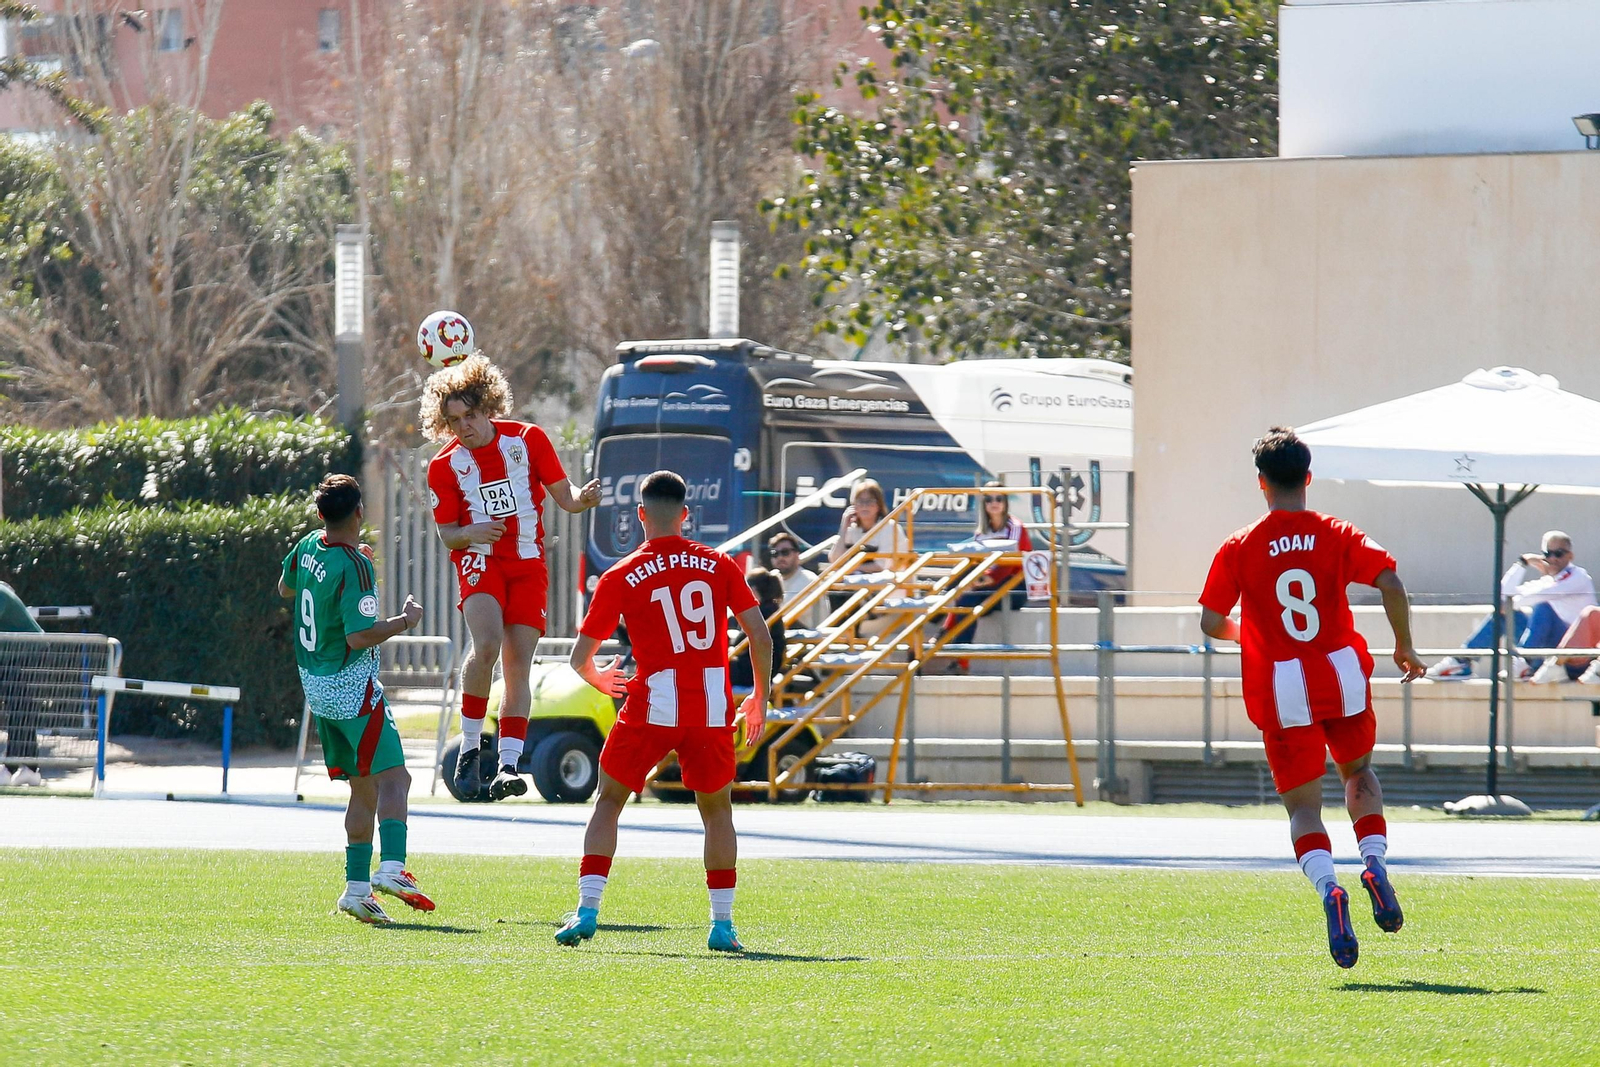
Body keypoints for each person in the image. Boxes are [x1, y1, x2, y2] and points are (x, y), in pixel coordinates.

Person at [1199, 427, 1426, 970]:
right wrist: (1405, 645)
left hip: (1282, 689)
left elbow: (1210, 621)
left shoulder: (1240, 544)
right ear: (1307, 477)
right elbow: (1391, 582)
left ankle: (1331, 890)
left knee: (1304, 808)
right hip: (1341, 677)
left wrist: (1249, 635)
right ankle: (1373, 863)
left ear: (1261, 484)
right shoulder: (1336, 532)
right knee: (1359, 777)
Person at [556, 470, 771, 953]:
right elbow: (758, 634)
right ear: (686, 515)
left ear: (640, 516)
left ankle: (588, 911)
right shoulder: (719, 564)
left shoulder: (620, 573)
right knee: (717, 812)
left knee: (608, 801)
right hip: (712, 704)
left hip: (653, 702)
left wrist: (597, 678)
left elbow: (579, 656)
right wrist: (760, 695)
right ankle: (722, 925)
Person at [423, 355, 602, 801]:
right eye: (454, 421)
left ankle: (506, 766)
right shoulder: (444, 467)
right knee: (485, 646)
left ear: (488, 406)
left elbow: (567, 498)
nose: (464, 427)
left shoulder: (528, 440)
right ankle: (468, 746)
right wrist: (471, 532)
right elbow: (448, 537)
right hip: (480, 560)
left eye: (470, 415)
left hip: (527, 565)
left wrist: (585, 496)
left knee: (517, 665)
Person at [279, 474, 434, 925]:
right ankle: (392, 869)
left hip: (316, 685)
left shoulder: (310, 545)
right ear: (360, 512)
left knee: (363, 787)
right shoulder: (357, 565)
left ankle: (356, 890)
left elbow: (286, 589)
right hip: (351, 687)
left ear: (321, 515)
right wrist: (405, 621)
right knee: (397, 781)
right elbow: (360, 634)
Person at [1427, 531, 1594, 680]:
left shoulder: (1578, 577)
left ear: (1570, 556)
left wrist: (1509, 603)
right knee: (1504, 615)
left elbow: (1539, 596)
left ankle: (1524, 661)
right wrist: (1523, 563)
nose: (1552, 559)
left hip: (1575, 656)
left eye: (1558, 553)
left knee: (1543, 607)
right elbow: (1503, 597)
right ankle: (1463, 660)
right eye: (1547, 554)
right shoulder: (1548, 581)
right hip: (1548, 650)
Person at [936, 486, 1033, 673]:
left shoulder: (1015, 527)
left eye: (999, 499)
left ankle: (948, 636)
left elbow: (1010, 564)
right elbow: (975, 561)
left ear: (1005, 503)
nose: (994, 503)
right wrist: (973, 580)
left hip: (1015, 586)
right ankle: (948, 635)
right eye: (989, 499)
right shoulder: (982, 532)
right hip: (988, 586)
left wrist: (983, 580)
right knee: (964, 587)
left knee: (966, 597)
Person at [0, 581, 45, 787]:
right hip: (10, 656)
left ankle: (10, 768)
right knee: (21, 711)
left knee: (19, 711)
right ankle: (30, 769)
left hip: (28, 654)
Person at [827, 478, 908, 573]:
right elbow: (835, 560)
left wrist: (849, 569)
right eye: (860, 501)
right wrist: (843, 527)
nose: (865, 506)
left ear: (879, 505)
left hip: (891, 582)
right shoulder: (852, 528)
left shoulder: (889, 527)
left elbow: (881, 566)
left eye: (870, 501)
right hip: (858, 580)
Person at [731, 568, 786, 691]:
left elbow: (740, 643)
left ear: (753, 590)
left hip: (756, 670)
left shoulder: (763, 612)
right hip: (764, 666)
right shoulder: (771, 608)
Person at [1529, 605, 1600, 684]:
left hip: (1587, 659)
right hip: (1578, 658)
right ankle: (1556, 664)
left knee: (1544, 608)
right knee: (1591, 612)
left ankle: (1525, 661)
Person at [768, 532, 824, 629]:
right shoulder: (771, 578)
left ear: (797, 555)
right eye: (775, 553)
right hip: (779, 632)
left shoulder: (809, 579)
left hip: (806, 636)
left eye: (785, 552)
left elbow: (785, 612)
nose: (780, 557)